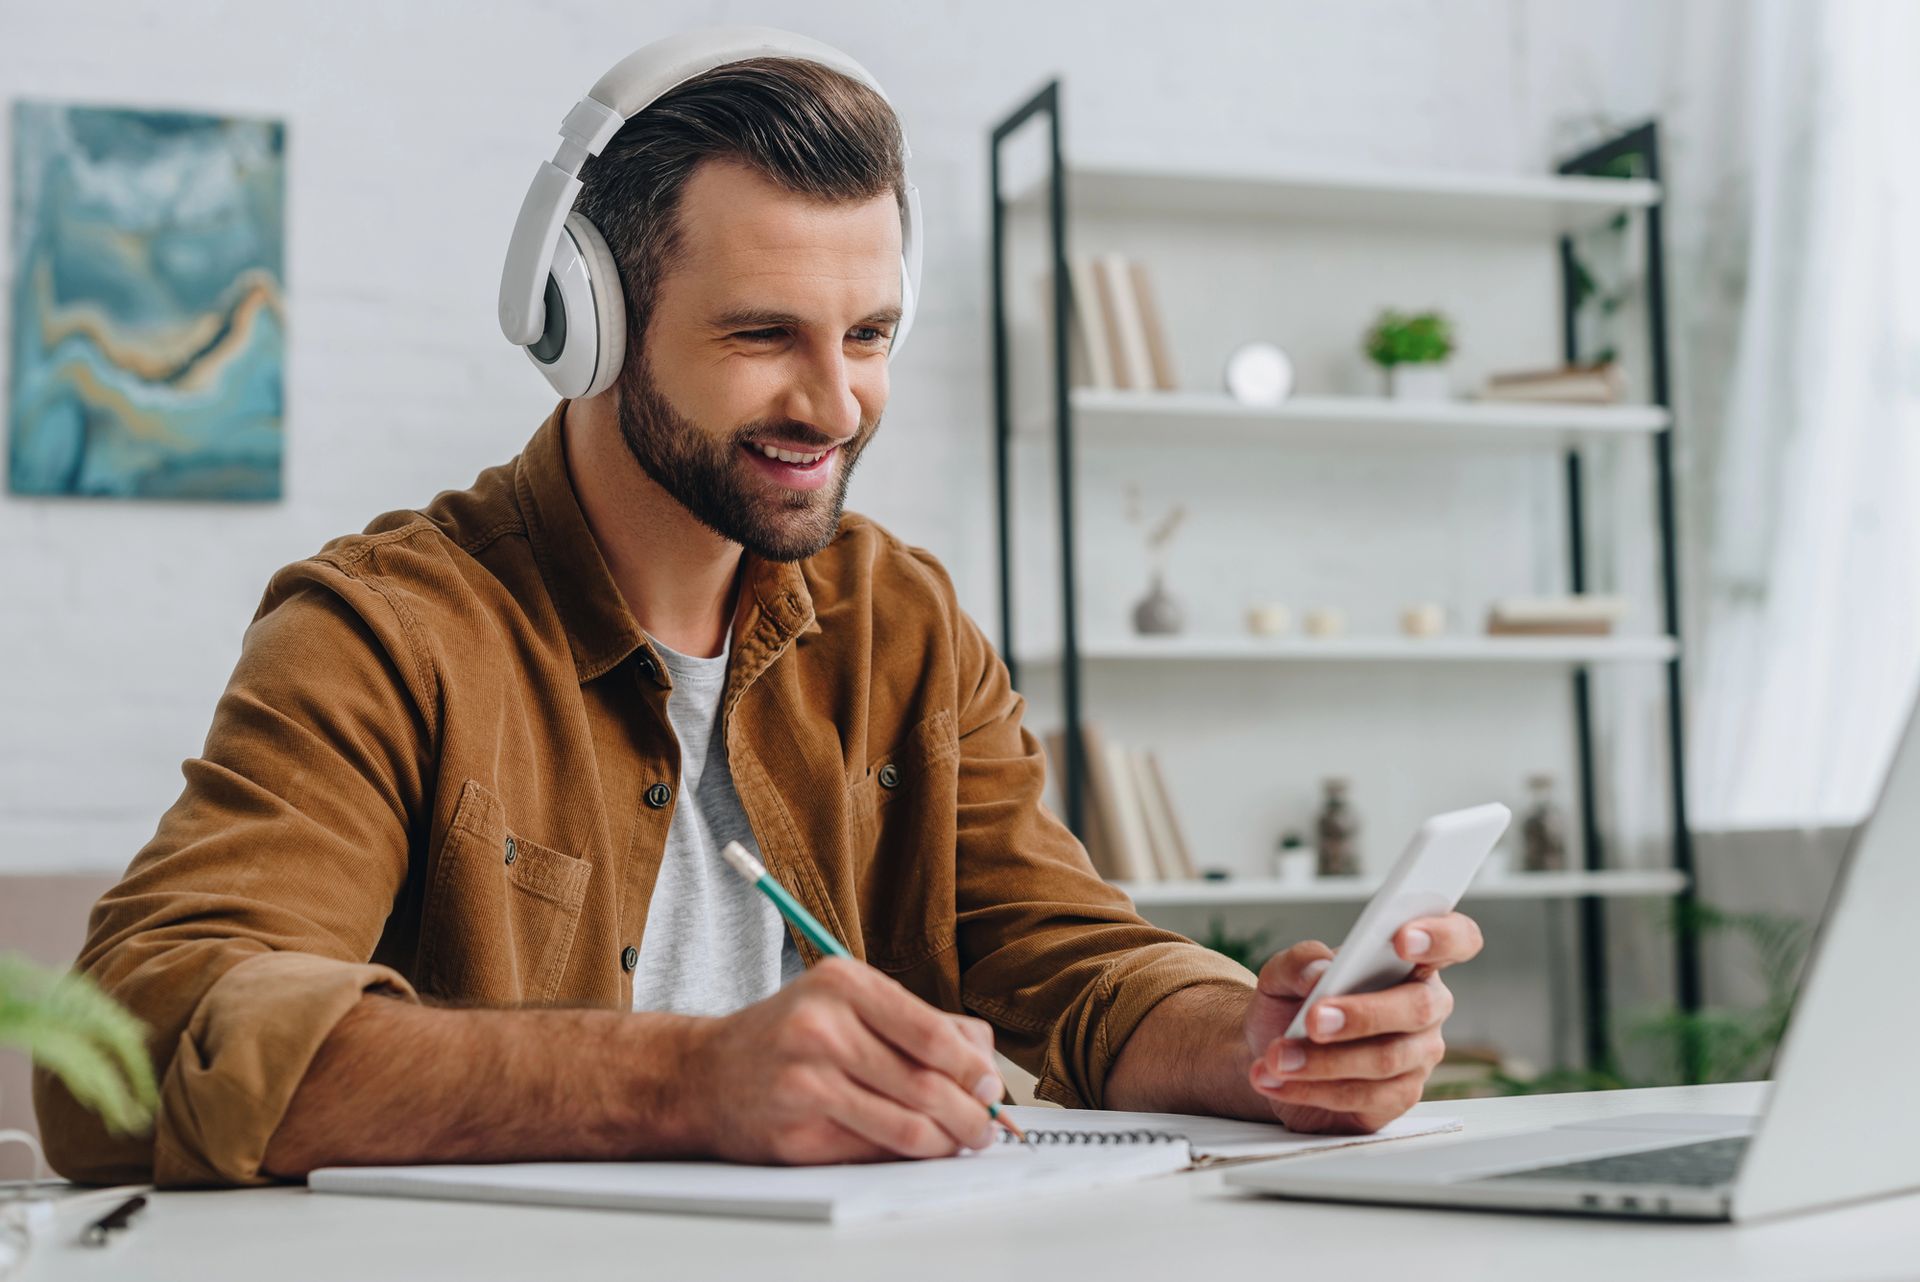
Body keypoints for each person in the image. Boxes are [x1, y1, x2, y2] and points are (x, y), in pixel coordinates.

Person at [36, 31, 1483, 1187]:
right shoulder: (382, 630)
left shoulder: (898, 621)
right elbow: (133, 1043)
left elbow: (1073, 956)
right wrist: (684, 1078)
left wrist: (1251, 1039)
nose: (836, 402)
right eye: (761, 335)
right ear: (585, 324)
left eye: (868, 336)